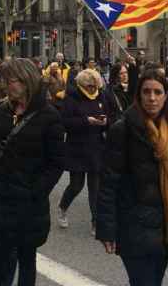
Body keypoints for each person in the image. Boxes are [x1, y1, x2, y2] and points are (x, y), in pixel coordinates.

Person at [0, 58, 65, 286]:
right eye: (4, 80)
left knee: (26, 262)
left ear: (26, 81)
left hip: (28, 205)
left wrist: (37, 190)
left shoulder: (49, 116)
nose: (6, 86)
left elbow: (56, 163)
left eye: (10, 80)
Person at [95, 70, 168, 285]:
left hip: (165, 228)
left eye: (157, 92)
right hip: (133, 227)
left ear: (166, 96)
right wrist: (106, 229)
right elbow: (108, 184)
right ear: (139, 95)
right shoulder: (122, 129)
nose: (152, 98)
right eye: (146, 92)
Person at [57, 68, 110, 234]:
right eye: (90, 86)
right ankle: (63, 207)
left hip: (96, 146)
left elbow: (110, 114)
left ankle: (96, 221)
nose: (93, 90)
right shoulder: (71, 97)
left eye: (95, 86)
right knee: (76, 185)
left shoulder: (101, 96)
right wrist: (86, 121)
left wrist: (105, 122)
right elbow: (65, 122)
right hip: (77, 147)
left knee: (95, 187)